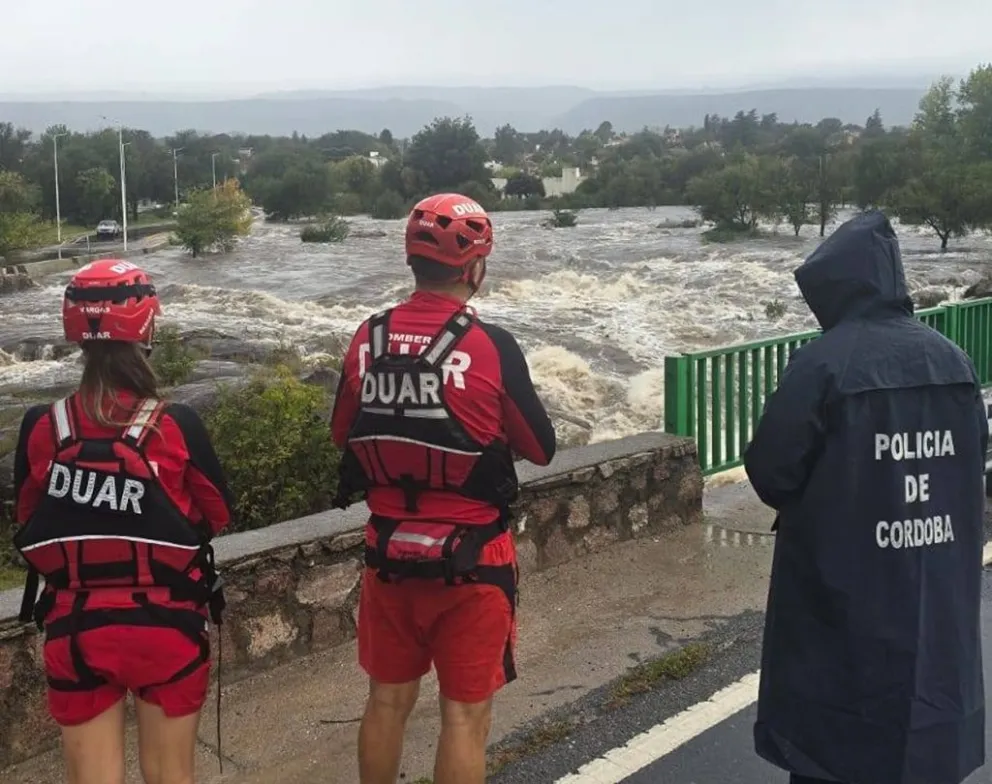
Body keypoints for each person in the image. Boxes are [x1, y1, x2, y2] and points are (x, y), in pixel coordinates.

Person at [744, 210, 988, 784]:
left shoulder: (823, 365)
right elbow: (973, 458)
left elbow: (771, 472)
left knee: (837, 751)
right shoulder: (952, 360)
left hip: (844, 609)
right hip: (936, 607)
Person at [331, 192, 557, 784]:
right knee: (464, 717)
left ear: (413, 262)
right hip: (473, 562)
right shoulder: (491, 346)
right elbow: (540, 446)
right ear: (475, 268)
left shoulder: (366, 339)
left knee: (386, 701)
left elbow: (341, 434)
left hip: (388, 557)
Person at [11, 258, 233, 784]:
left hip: (76, 628)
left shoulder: (41, 427)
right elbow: (216, 516)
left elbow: (26, 520)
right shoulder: (176, 425)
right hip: (167, 628)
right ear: (147, 329)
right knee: (170, 775)